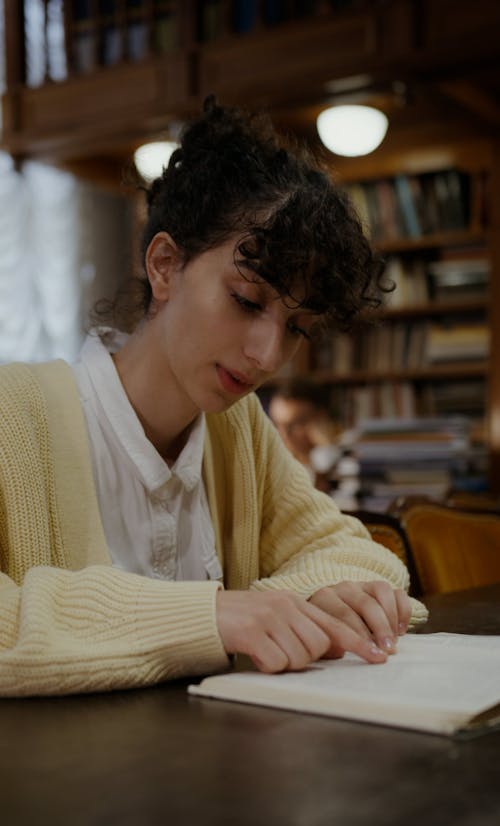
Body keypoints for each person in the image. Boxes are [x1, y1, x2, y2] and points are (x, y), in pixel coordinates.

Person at [0, 97, 428, 697]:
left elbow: (356, 553)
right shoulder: (14, 415)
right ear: (165, 266)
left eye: (297, 328)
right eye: (247, 302)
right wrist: (213, 617)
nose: (267, 356)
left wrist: (300, 598)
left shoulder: (239, 430)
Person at [267, 377, 341, 489]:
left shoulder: (346, 459)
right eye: (276, 424)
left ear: (320, 420)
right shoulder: (269, 465)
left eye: (294, 425)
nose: (283, 434)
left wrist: (326, 447)